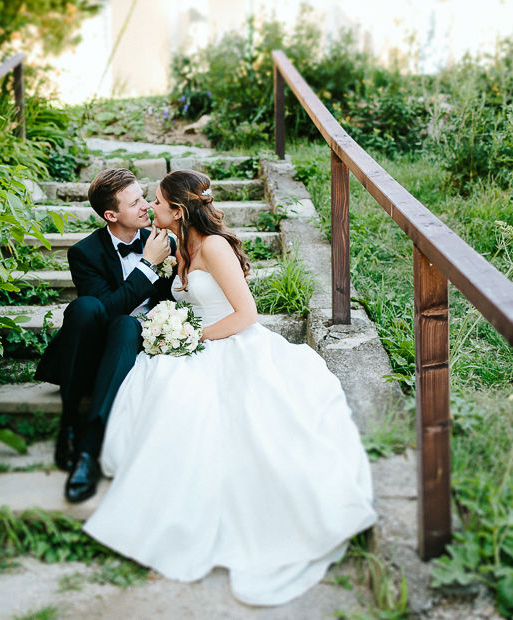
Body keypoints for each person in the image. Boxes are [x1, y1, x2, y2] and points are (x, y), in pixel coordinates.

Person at [82, 169, 377, 606]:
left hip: (233, 342)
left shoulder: (214, 246)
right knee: (159, 380)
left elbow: (246, 315)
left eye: (158, 203)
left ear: (178, 211)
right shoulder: (178, 248)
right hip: (198, 341)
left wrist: (188, 338)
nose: (151, 208)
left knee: (193, 397)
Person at [35, 168, 175, 503]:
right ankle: (68, 422)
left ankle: (88, 452)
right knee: (84, 308)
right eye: (136, 202)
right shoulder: (84, 253)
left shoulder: (162, 242)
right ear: (111, 215)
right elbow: (104, 311)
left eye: (144, 198)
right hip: (91, 345)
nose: (147, 206)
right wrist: (147, 267)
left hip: (134, 342)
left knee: (128, 325)